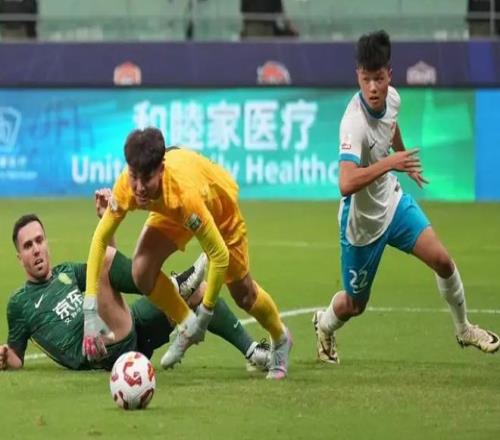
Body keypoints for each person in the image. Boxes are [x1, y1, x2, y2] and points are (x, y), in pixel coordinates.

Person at [312, 30, 499, 364]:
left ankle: (464, 329)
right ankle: (324, 325)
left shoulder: (393, 99)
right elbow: (346, 182)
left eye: (379, 78)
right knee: (354, 305)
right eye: (366, 79)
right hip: (362, 227)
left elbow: (391, 125)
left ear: (390, 74)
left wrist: (403, 158)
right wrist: (391, 162)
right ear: (357, 76)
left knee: (443, 261)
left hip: (393, 205)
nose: (373, 87)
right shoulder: (353, 123)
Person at [83, 136, 292, 380]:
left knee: (244, 295)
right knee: (141, 270)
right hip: (172, 210)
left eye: (146, 178)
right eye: (134, 176)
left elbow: (219, 255)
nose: (138, 187)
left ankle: (280, 337)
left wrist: (206, 313)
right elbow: (100, 239)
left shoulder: (184, 195)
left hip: (216, 206)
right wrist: (90, 310)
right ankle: (186, 324)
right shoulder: (126, 186)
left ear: (161, 170)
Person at [0, 191, 270, 372]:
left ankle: (253, 352)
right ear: (19, 257)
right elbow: (16, 358)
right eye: (28, 246)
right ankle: (173, 285)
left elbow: (108, 275)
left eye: (39, 241)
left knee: (199, 292)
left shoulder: (67, 272)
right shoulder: (20, 303)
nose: (36, 249)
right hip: (101, 349)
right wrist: (4, 357)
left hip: (128, 327)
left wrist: (106, 223)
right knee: (104, 259)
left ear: (46, 243)